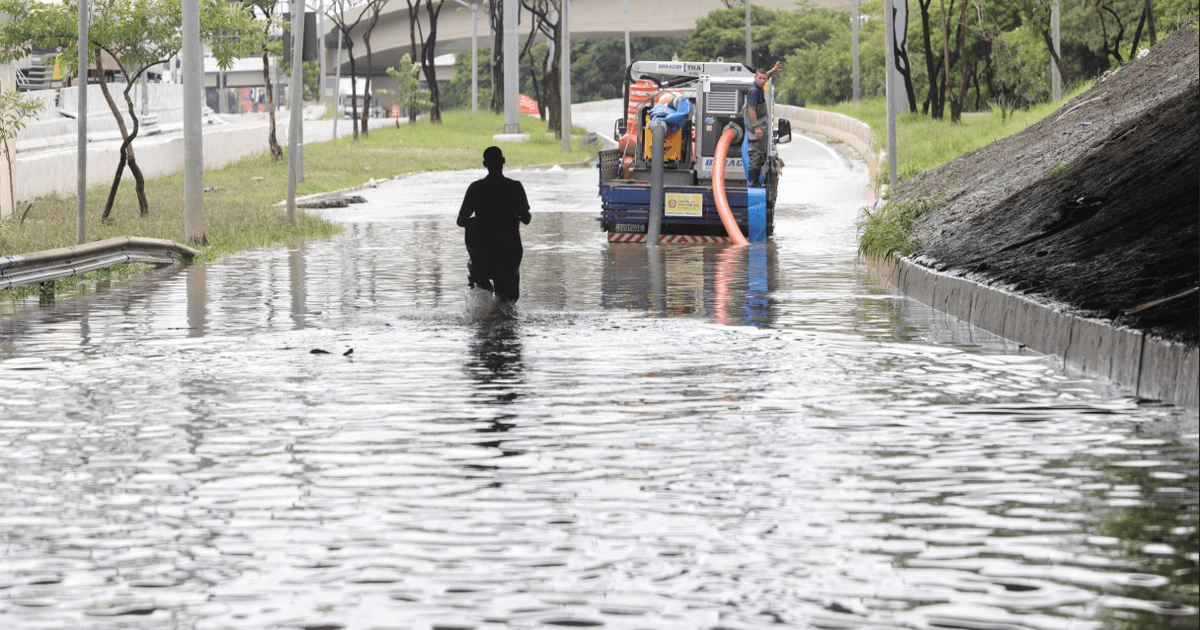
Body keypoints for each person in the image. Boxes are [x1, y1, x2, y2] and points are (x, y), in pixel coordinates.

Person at [457, 146, 532, 304]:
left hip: (481, 253)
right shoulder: (514, 187)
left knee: (480, 297)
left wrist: (480, 221)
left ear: (485, 164)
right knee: (507, 302)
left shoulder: (475, 188)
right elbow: (526, 218)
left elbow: (461, 220)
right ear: (503, 161)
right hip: (508, 252)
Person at [744, 60, 782, 187]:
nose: (762, 80)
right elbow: (751, 110)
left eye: (764, 78)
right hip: (756, 128)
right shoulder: (754, 91)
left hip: (760, 127)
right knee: (757, 154)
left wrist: (772, 70)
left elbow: (766, 75)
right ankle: (753, 182)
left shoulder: (760, 86)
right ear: (755, 77)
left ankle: (755, 181)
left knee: (760, 154)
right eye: (759, 78)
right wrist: (756, 127)